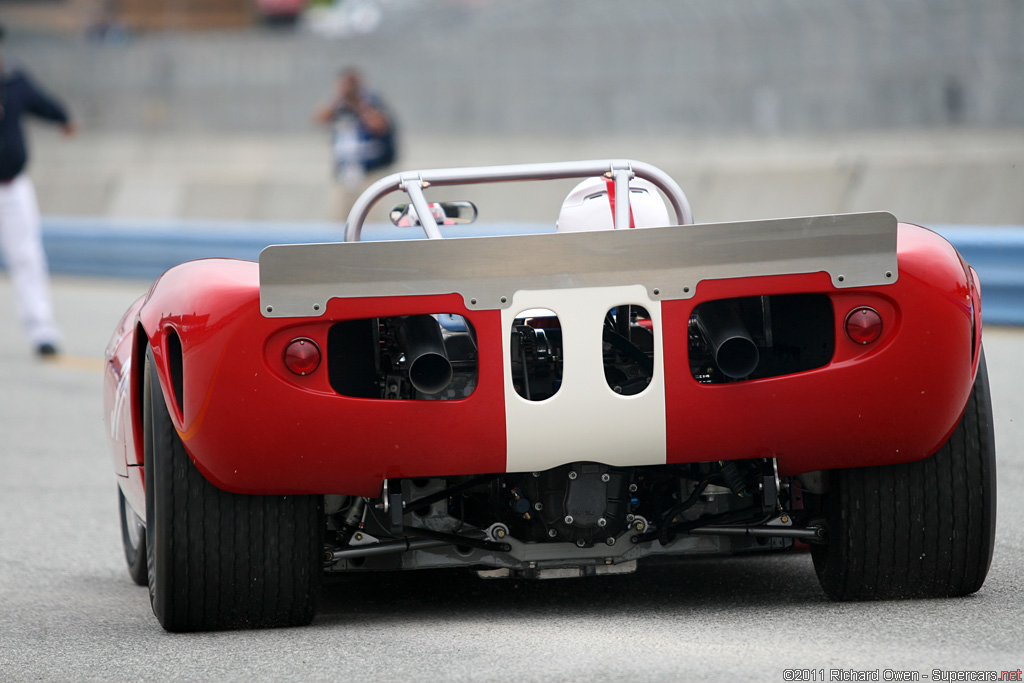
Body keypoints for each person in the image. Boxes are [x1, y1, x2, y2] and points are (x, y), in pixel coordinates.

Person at [0, 24, 76, 358]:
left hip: (12, 186)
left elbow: (40, 102)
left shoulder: (13, 81)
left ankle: (41, 330)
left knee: (27, 256)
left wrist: (63, 118)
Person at [314, 68, 396, 222]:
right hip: (345, 174)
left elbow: (379, 126)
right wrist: (339, 99)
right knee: (338, 220)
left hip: (369, 173)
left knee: (371, 223)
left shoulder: (372, 103)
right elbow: (320, 119)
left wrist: (359, 104)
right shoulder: (339, 106)